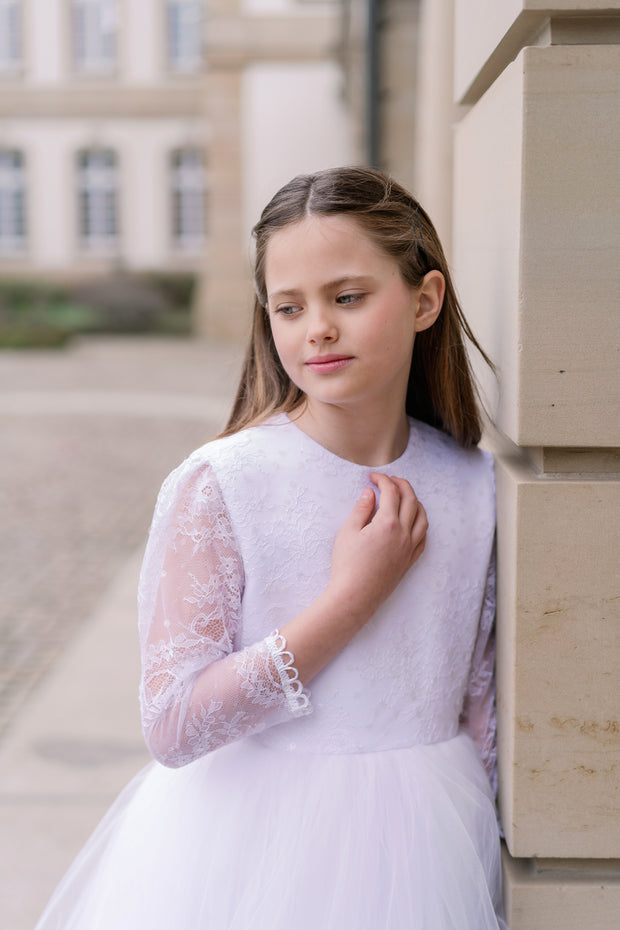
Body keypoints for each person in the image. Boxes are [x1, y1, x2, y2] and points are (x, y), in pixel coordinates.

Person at [36, 166, 505, 929]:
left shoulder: (473, 482)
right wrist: (352, 598)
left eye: (347, 297)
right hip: (253, 854)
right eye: (289, 307)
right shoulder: (225, 483)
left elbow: (478, 707)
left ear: (425, 301)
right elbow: (175, 724)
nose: (316, 327)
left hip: (430, 845)